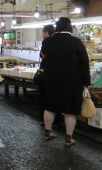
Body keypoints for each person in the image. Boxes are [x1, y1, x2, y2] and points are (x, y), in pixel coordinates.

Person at [41, 17, 90, 146]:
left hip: (52, 79)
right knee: (70, 110)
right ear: (70, 27)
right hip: (72, 81)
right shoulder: (76, 42)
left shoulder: (48, 42)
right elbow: (85, 63)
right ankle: (69, 138)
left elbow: (44, 56)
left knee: (50, 106)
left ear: (57, 27)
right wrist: (86, 82)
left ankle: (48, 132)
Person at [37, 24, 55, 124]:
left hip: (46, 73)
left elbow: (44, 56)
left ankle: (46, 122)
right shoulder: (57, 41)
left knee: (44, 97)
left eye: (42, 31)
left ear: (46, 32)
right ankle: (55, 122)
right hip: (56, 74)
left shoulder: (46, 42)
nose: (41, 33)